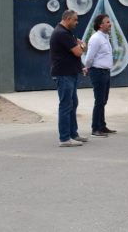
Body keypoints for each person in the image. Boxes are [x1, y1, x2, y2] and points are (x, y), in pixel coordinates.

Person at [50, 9, 89, 147]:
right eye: (75, 20)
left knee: (73, 104)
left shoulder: (66, 33)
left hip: (70, 73)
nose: (77, 22)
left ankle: (73, 134)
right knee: (66, 105)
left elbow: (76, 48)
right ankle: (65, 138)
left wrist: (80, 45)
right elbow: (78, 51)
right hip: (64, 74)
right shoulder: (61, 33)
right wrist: (82, 45)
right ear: (67, 19)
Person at [84, 14, 117, 137]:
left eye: (110, 22)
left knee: (104, 100)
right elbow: (89, 57)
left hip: (106, 72)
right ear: (100, 25)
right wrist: (87, 67)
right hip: (97, 72)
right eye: (107, 22)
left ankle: (102, 126)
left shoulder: (105, 37)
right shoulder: (96, 38)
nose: (110, 24)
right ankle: (95, 128)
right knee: (99, 101)